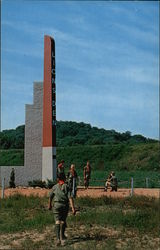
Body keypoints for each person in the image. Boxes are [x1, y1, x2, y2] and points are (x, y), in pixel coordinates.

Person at [48, 174, 76, 246]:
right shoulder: (67, 186)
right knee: (63, 221)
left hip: (56, 205)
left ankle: (58, 239)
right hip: (64, 206)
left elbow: (50, 196)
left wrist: (50, 205)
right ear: (64, 179)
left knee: (57, 221)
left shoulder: (54, 187)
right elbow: (70, 197)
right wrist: (73, 208)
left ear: (58, 179)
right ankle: (62, 237)